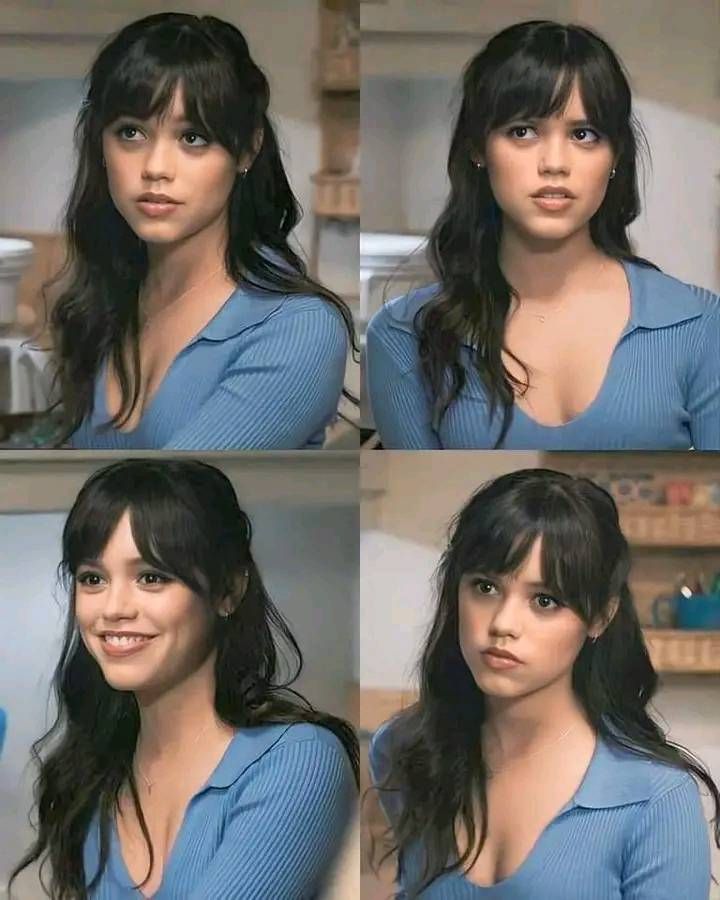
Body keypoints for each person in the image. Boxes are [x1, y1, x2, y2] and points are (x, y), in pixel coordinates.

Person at [10, 459, 358, 899]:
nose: (113, 608)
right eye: (93, 578)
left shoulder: (296, 762)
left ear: (228, 591)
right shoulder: (92, 780)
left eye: (151, 577)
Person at [365, 20, 720, 450]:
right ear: (479, 148)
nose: (554, 162)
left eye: (584, 134)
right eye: (523, 131)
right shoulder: (404, 335)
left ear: (615, 156)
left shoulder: (700, 325)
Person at [369, 468, 719, 898]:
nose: (502, 624)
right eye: (485, 587)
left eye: (545, 601)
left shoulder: (655, 800)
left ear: (599, 618)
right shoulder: (404, 752)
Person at [46, 12, 356, 450]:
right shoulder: (109, 296)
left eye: (193, 138)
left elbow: (169, 500)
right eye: (130, 133)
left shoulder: (294, 328)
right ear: (101, 144)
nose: (155, 168)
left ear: (247, 150)